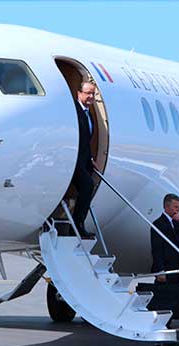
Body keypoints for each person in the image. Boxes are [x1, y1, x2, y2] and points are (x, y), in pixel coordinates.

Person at [71, 81, 98, 238]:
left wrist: (90, 159)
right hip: (72, 160)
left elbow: (85, 142)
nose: (90, 96)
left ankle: (78, 224)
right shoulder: (73, 111)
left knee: (87, 187)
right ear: (78, 93)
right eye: (87, 93)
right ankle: (77, 225)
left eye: (93, 94)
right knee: (87, 186)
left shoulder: (89, 115)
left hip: (83, 160)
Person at [151, 193, 179, 284]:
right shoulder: (158, 224)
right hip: (166, 267)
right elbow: (156, 249)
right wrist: (160, 270)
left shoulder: (177, 222)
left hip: (176, 267)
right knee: (164, 293)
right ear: (167, 206)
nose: (178, 210)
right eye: (175, 207)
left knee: (174, 294)